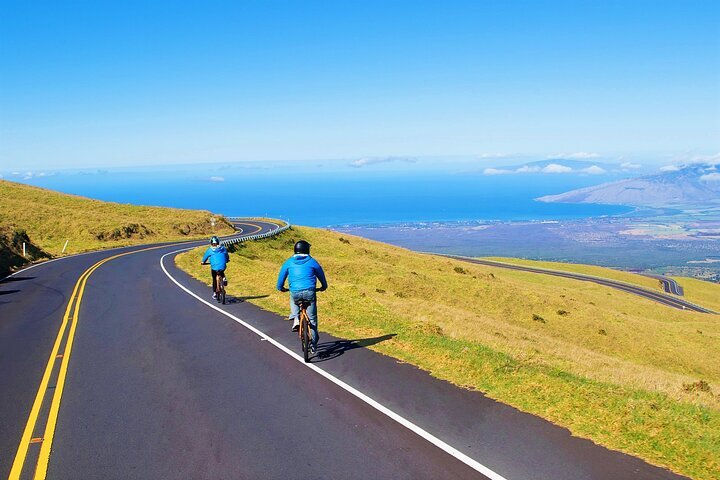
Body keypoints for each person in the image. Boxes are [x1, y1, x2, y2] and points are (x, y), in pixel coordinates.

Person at [276, 240, 328, 354]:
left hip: (295, 292)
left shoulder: (289, 262)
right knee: (312, 319)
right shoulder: (312, 262)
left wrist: (281, 288)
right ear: (307, 250)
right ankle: (313, 344)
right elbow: (321, 276)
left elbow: (281, 277)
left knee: (293, 298)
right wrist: (324, 286)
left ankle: (295, 318)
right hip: (310, 292)